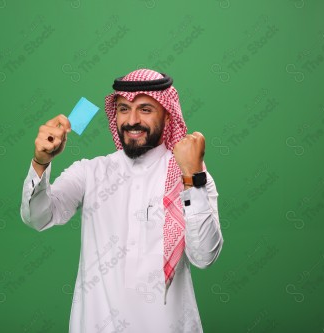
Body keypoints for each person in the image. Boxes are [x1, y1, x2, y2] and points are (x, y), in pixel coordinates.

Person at [20, 69, 223, 333]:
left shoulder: (189, 174)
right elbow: (38, 217)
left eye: (146, 109)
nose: (132, 120)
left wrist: (192, 177)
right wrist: (41, 161)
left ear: (167, 113)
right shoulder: (91, 171)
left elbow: (204, 256)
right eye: (124, 109)